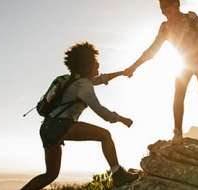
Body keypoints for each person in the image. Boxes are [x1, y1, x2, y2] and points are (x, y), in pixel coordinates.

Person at [21, 42, 138, 190]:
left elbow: (100, 79)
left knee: (50, 175)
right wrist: (121, 119)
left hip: (47, 128)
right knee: (105, 135)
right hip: (61, 126)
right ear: (87, 65)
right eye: (95, 61)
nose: (98, 63)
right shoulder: (84, 85)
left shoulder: (71, 79)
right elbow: (101, 111)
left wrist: (122, 73)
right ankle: (118, 175)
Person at [124, 0, 198, 147]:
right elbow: (152, 50)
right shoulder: (165, 27)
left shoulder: (190, 17)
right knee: (178, 96)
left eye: (166, 7)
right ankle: (178, 133)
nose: (164, 11)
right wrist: (133, 67)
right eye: (162, 9)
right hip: (183, 64)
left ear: (176, 4)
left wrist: (194, 51)